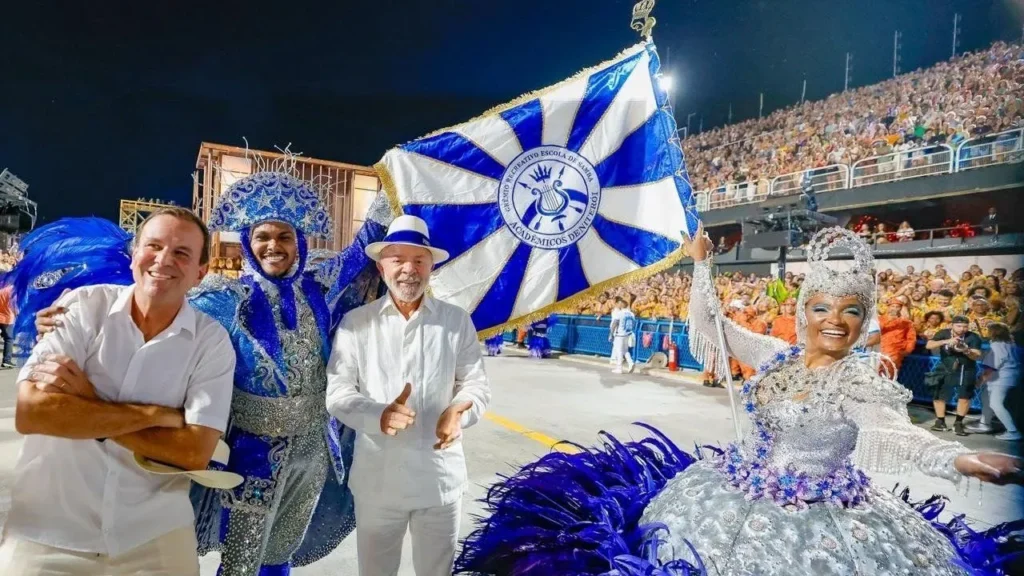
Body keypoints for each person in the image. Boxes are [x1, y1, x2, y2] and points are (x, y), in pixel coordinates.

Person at [454, 226, 1022, 576]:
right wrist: (702, 263)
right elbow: (712, 326)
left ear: (864, 320)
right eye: (822, 308)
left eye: (851, 311)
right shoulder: (775, 354)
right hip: (729, 491)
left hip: (819, 519)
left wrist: (958, 457)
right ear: (804, 312)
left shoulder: (860, 382)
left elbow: (898, 434)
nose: (835, 321)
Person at [21, 167, 394, 575]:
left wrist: (396, 175)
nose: (273, 246)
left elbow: (366, 245)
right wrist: (71, 312)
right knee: (241, 564)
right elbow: (159, 292)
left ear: (300, 242)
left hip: (313, 449)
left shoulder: (319, 286)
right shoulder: (223, 298)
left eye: (284, 236)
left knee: (280, 554)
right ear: (247, 242)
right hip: (253, 454)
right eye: (262, 237)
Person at [0, 208, 236, 575]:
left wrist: (87, 402)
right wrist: (154, 415)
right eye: (153, 246)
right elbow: (34, 413)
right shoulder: (82, 308)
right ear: (133, 254)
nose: (164, 260)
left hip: (154, 532)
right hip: (51, 529)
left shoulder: (211, 342)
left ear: (200, 273)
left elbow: (193, 452)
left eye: (181, 253)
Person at [326, 214, 491, 576]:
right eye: (398, 259)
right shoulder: (357, 323)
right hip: (378, 482)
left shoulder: (456, 321)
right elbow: (337, 393)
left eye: (418, 260)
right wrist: (378, 414)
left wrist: (459, 412)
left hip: (439, 480)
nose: (408, 270)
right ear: (381, 266)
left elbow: (476, 384)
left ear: (431, 266)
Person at [926, 315, 985, 436]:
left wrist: (966, 350)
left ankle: (958, 423)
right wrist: (946, 341)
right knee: (938, 394)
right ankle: (940, 421)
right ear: (952, 325)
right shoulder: (944, 333)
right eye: (959, 326)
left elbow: (977, 355)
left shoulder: (973, 337)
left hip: (966, 368)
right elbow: (929, 345)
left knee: (964, 396)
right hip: (945, 366)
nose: (962, 329)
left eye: (965, 326)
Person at [967, 323, 1021, 441]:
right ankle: (984, 423)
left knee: (995, 404)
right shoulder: (1010, 344)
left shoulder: (997, 346)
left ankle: (1012, 431)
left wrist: (980, 381)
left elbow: (991, 367)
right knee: (986, 398)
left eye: (989, 330)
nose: (987, 332)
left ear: (993, 332)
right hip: (1006, 377)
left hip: (1001, 379)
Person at [879, 301, 917, 377]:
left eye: (897, 307)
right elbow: (877, 330)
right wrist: (890, 320)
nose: (895, 309)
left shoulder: (906, 322)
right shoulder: (880, 319)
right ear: (888, 307)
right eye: (893, 306)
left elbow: (911, 338)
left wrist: (907, 350)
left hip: (895, 351)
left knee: (890, 373)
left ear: (900, 309)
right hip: (879, 348)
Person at [608, 297, 636, 374]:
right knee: (625, 350)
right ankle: (630, 362)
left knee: (619, 351)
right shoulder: (631, 314)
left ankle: (619, 368)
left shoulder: (619, 313)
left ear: (622, 305)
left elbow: (614, 324)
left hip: (619, 334)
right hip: (627, 334)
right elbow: (633, 323)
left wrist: (611, 334)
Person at [0, 284, 14, 368]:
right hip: (7, 319)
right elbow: (15, 306)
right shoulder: (14, 292)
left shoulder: (2, 291)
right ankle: (6, 360)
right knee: (9, 339)